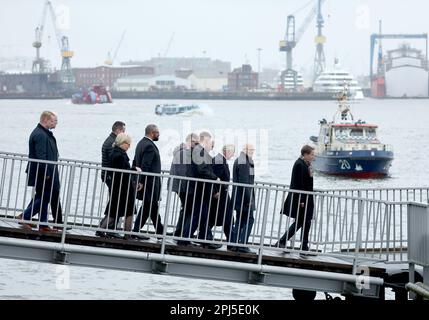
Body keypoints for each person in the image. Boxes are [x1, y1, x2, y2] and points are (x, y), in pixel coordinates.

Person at [19, 111, 62, 232]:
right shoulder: (40, 135)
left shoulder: (43, 133)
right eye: (54, 121)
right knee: (44, 197)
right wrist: (47, 173)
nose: (56, 123)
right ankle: (25, 216)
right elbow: (41, 156)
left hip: (45, 171)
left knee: (43, 196)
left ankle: (43, 224)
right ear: (46, 120)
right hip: (43, 172)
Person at [177, 131, 219, 248]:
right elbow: (201, 169)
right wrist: (215, 178)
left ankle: (205, 239)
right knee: (197, 214)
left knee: (203, 214)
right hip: (199, 188)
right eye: (210, 141)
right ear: (205, 140)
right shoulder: (198, 151)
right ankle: (184, 239)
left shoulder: (198, 151)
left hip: (201, 188)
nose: (211, 143)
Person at [275, 145, 315, 252]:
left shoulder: (306, 164)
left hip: (307, 197)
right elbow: (299, 183)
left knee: (305, 221)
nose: (313, 157)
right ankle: (284, 241)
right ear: (305, 154)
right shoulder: (300, 164)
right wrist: (302, 200)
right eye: (311, 155)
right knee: (302, 221)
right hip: (302, 198)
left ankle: (303, 245)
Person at [103, 133, 140, 238]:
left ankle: (102, 229)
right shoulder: (119, 155)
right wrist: (134, 170)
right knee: (124, 210)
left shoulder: (116, 153)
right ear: (122, 143)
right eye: (128, 144)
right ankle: (127, 234)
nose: (129, 146)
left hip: (120, 186)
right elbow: (123, 171)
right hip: (123, 187)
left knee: (117, 210)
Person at [132, 124, 164, 239]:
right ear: (152, 133)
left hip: (146, 182)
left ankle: (159, 232)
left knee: (150, 206)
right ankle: (137, 231)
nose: (158, 134)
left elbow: (135, 162)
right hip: (150, 182)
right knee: (149, 206)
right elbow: (146, 165)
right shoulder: (149, 146)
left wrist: (137, 179)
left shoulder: (140, 143)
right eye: (157, 132)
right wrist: (141, 181)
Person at [97, 121, 126, 237]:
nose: (124, 133)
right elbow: (114, 161)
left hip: (109, 176)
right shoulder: (112, 142)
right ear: (118, 130)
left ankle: (108, 227)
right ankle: (109, 228)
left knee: (115, 202)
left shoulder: (110, 140)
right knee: (116, 202)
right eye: (123, 130)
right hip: (112, 177)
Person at [169, 133, 199, 237]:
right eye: (196, 143)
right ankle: (184, 233)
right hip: (184, 186)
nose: (197, 145)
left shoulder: (180, 150)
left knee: (186, 209)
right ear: (191, 141)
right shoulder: (185, 153)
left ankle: (180, 231)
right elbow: (184, 172)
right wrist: (188, 187)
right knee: (190, 209)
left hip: (179, 185)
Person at [230, 144, 256, 253]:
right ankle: (242, 244)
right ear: (245, 150)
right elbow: (245, 183)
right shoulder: (243, 161)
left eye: (253, 150)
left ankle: (234, 244)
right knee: (249, 220)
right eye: (251, 150)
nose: (252, 152)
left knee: (240, 220)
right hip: (243, 198)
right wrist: (249, 199)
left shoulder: (243, 160)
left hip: (239, 197)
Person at [209, 144, 235, 247]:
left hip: (222, 194)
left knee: (225, 218)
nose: (232, 156)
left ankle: (231, 241)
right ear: (227, 152)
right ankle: (231, 242)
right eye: (232, 153)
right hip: (220, 195)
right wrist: (215, 192)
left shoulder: (220, 159)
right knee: (225, 218)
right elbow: (214, 177)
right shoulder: (219, 161)